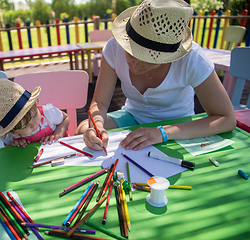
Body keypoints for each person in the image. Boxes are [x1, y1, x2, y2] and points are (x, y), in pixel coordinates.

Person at [76, 0, 236, 152]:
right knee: (84, 129)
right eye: (131, 51)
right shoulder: (113, 48)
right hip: (133, 115)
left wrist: (163, 132)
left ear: (170, 56)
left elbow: (226, 118)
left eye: (148, 58)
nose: (134, 65)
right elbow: (100, 102)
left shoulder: (192, 59)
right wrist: (96, 127)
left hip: (177, 124)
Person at [0, 78, 69, 148]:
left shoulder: (48, 114)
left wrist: (58, 134)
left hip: (63, 149)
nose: (33, 124)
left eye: (34, 115)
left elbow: (65, 118)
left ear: (34, 104)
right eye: (24, 126)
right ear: (11, 130)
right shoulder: (10, 135)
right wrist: (15, 144)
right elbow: (8, 148)